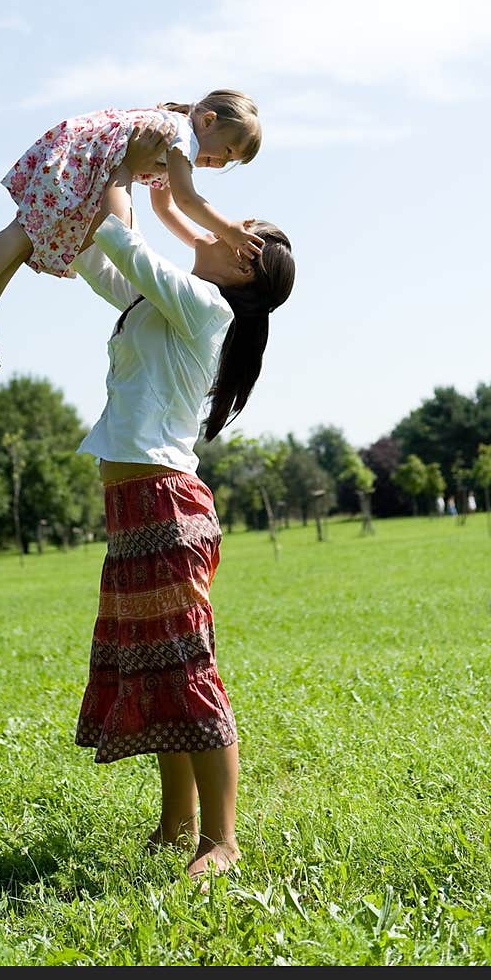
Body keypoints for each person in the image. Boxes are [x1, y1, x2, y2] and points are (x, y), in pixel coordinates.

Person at [69, 123, 295, 885]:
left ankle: (222, 841)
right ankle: (176, 824)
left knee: (187, 665)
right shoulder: (172, 303)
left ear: (243, 260)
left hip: (165, 507)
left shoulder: (207, 309)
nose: (221, 222)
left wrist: (113, 161)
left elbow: (124, 246)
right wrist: (74, 227)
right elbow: (103, 266)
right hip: (134, 508)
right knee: (157, 668)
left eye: (241, 228)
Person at [0, 91, 264, 373]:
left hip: (90, 169)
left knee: (28, 243)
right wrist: (228, 229)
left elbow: (166, 208)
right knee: (23, 233)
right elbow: (187, 199)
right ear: (208, 121)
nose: (221, 164)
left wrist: (197, 239)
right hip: (83, 160)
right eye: (228, 153)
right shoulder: (182, 137)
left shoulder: (175, 146)